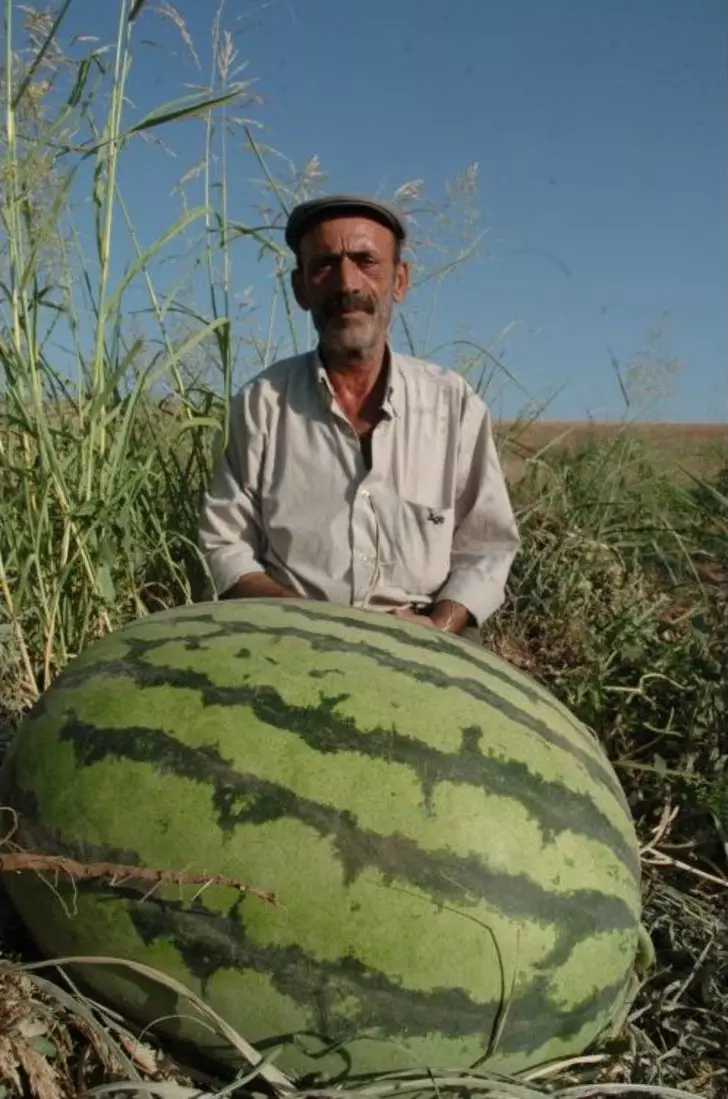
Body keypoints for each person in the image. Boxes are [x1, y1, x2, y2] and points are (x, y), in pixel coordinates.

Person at [198, 193, 520, 640]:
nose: (346, 282)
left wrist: (435, 627)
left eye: (366, 261)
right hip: (294, 635)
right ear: (301, 288)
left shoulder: (453, 403)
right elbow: (225, 546)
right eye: (325, 264)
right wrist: (319, 628)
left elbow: (486, 546)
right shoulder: (261, 404)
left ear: (400, 280)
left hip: (430, 635)